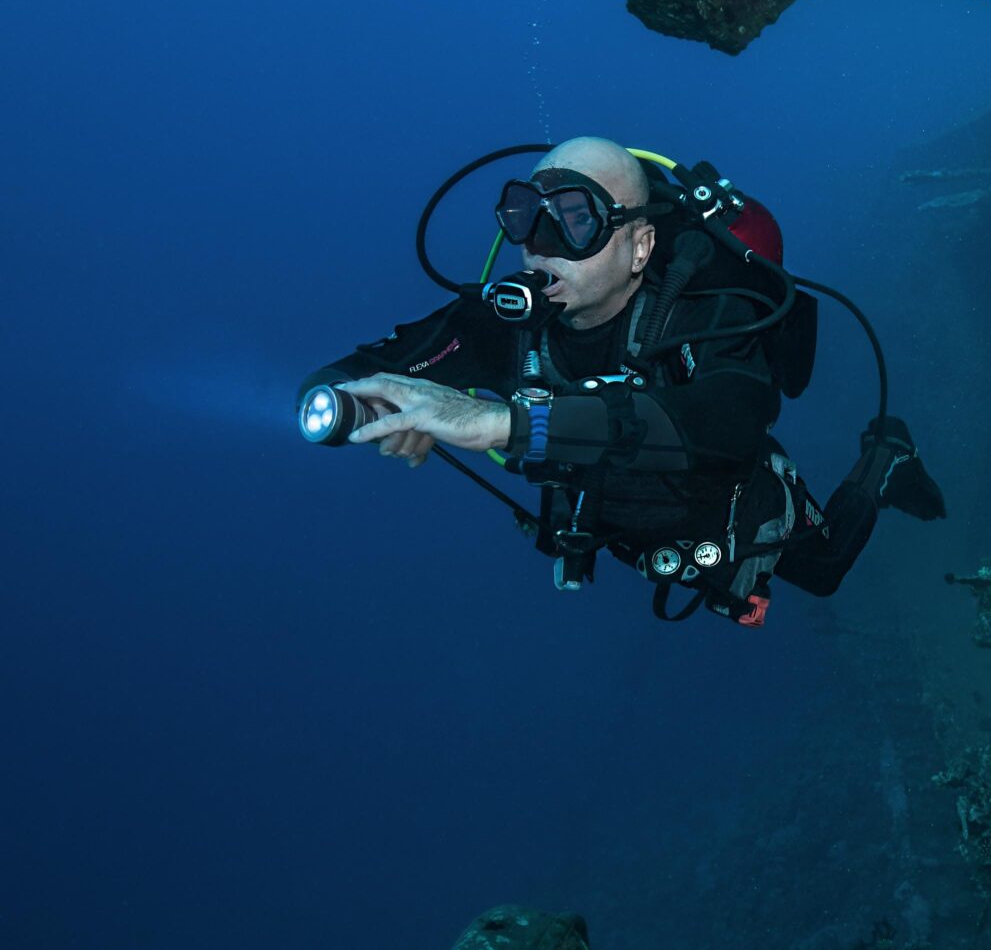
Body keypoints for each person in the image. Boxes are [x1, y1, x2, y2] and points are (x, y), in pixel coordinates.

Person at [301, 135, 943, 624]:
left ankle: (886, 456)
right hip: (617, 524)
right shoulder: (501, 322)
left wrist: (505, 423)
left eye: (575, 219)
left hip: (720, 505)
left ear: (639, 246)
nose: (540, 245)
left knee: (824, 570)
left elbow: (732, 420)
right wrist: (351, 406)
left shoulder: (702, 309)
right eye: (525, 216)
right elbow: (355, 372)